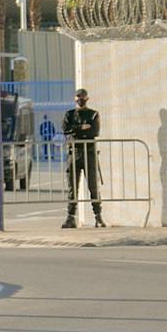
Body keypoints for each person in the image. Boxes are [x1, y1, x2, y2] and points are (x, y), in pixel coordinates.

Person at [62, 87, 104, 228]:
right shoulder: (70, 114)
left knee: (93, 186)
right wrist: (81, 127)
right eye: (78, 97)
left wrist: (76, 129)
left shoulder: (93, 114)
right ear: (75, 98)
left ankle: (98, 217)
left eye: (83, 97)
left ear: (87, 98)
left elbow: (94, 131)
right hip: (74, 153)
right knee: (72, 187)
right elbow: (65, 129)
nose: (80, 99)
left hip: (89, 152)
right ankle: (70, 217)